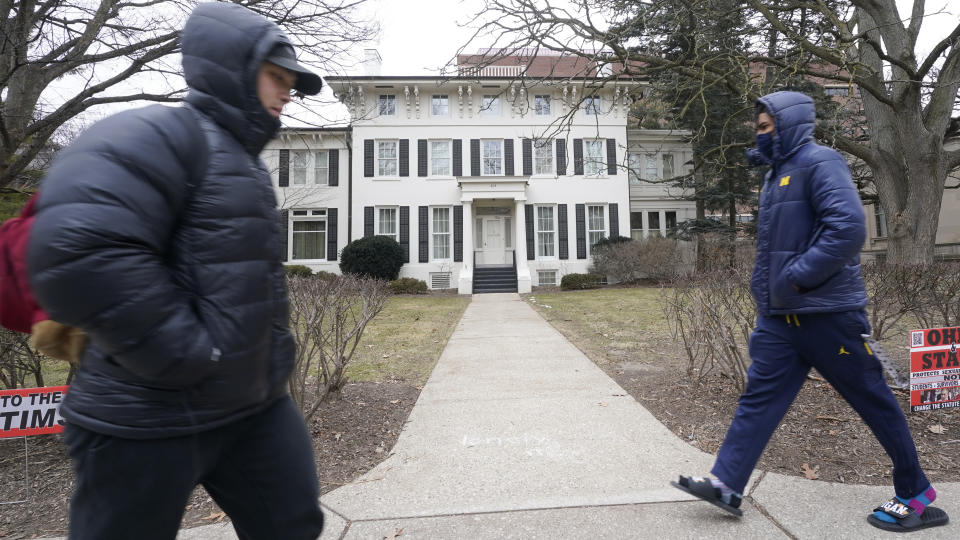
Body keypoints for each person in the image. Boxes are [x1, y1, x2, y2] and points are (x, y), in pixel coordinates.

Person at [27, 3, 325, 539]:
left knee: (294, 525)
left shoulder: (243, 162)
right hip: (144, 418)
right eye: (276, 76)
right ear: (231, 70)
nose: (288, 92)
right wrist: (188, 353)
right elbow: (75, 251)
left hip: (252, 409)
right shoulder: (156, 135)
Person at [671, 91, 948, 533]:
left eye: (767, 127)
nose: (760, 135)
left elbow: (848, 228)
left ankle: (916, 493)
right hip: (781, 319)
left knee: (874, 401)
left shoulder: (822, 162)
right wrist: (767, 292)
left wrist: (797, 277)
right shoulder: (775, 175)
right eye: (758, 128)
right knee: (758, 400)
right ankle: (726, 484)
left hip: (829, 315)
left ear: (789, 124)